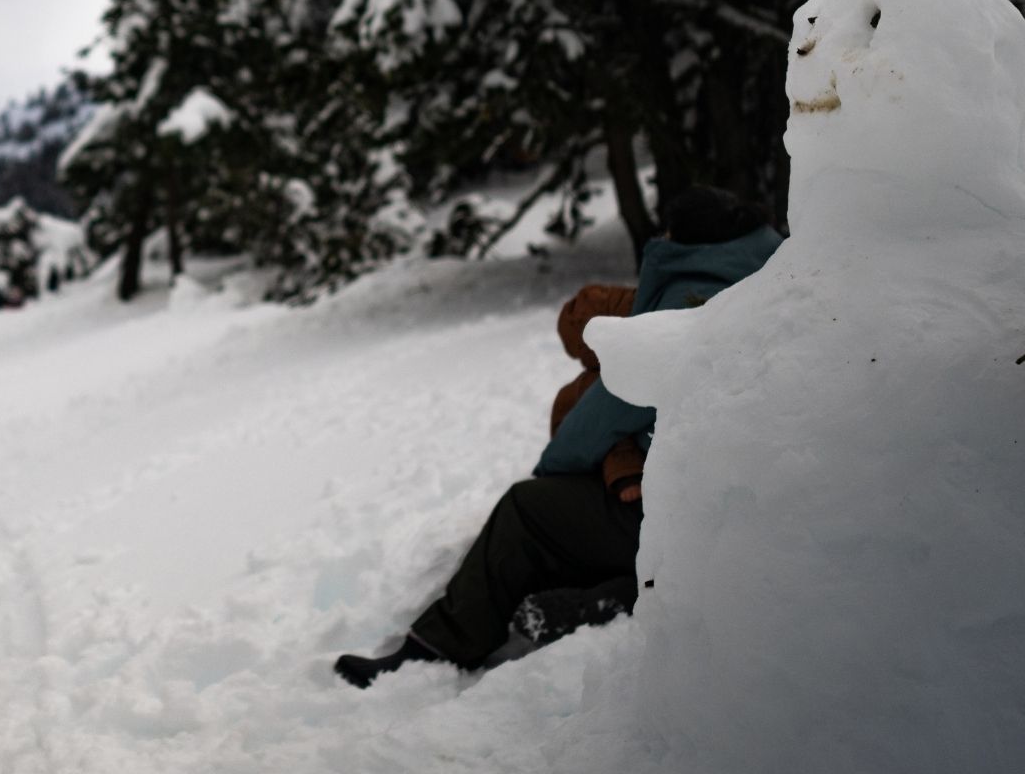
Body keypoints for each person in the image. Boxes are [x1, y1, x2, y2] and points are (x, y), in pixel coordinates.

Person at [335, 186, 783, 688]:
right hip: (734, 512)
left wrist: (557, 471)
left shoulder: (690, 301)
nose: (661, 237)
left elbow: (610, 406)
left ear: (693, 240)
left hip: (682, 512)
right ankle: (612, 595)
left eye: (669, 230)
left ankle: (433, 652)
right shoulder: (756, 282)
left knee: (528, 511)